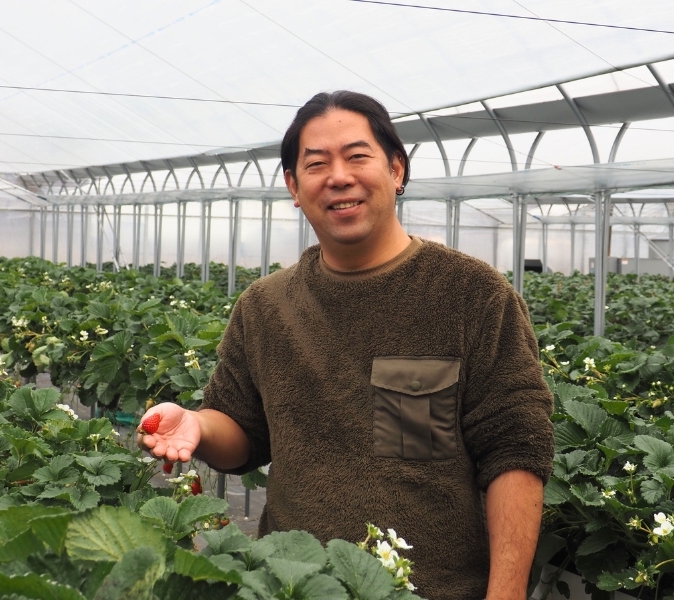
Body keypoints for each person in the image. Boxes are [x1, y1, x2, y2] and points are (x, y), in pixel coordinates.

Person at [138, 90, 554, 600]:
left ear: (396, 169)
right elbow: (243, 434)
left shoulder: (471, 294)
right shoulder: (265, 306)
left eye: (357, 156)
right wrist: (198, 425)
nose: (338, 177)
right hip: (291, 584)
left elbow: (516, 450)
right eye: (316, 164)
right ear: (294, 186)